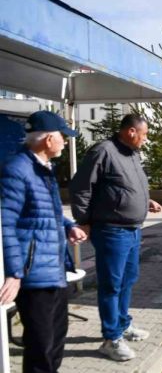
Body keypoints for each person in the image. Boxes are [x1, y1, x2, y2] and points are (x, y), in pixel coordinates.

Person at [69, 114, 162, 362]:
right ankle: (111, 339)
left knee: (128, 279)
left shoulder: (132, 154)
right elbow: (81, 188)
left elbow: (126, 187)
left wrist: (146, 201)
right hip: (111, 231)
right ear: (131, 132)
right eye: (144, 134)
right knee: (111, 285)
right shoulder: (103, 151)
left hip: (132, 230)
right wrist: (84, 221)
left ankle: (123, 325)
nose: (146, 139)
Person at [0, 111, 88, 373]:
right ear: (49, 139)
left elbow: (47, 211)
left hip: (55, 271)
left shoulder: (42, 169)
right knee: (41, 348)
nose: (66, 142)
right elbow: (5, 223)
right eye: (63, 137)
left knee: (55, 342)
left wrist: (69, 226)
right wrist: (14, 273)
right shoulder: (18, 170)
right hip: (34, 274)